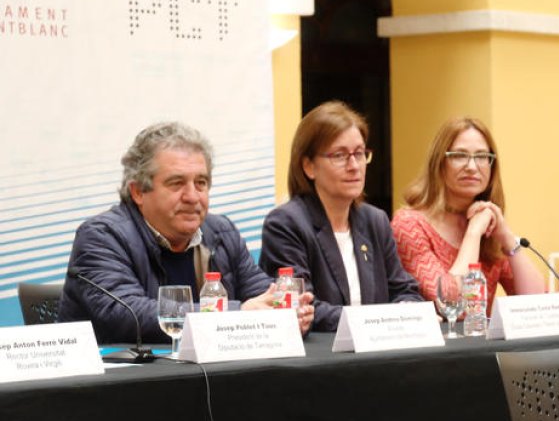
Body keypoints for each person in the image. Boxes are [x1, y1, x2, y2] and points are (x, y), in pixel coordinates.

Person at [59, 121, 315, 344]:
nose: (192, 196)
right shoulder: (102, 237)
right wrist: (236, 315)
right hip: (121, 389)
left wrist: (285, 311)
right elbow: (127, 314)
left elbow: (260, 294)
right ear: (138, 192)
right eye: (176, 183)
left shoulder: (221, 232)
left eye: (201, 183)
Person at [259, 101, 423, 332]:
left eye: (359, 153)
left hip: (377, 356)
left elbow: (404, 289)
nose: (354, 165)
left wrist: (410, 311)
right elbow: (304, 306)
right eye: (340, 155)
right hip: (320, 361)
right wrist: (381, 322)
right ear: (309, 167)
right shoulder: (286, 223)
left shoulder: (375, 221)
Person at [390, 116, 543, 311]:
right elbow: (452, 303)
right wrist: (473, 234)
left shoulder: (489, 225)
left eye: (481, 157)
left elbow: (538, 304)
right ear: (439, 162)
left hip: (483, 341)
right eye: (459, 155)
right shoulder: (409, 224)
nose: (472, 167)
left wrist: (507, 239)